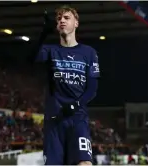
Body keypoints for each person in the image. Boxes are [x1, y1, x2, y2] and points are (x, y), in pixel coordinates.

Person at [32, 5, 100, 165]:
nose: (62, 20)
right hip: (54, 121)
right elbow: (29, 58)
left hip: (78, 118)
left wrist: (76, 105)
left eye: (66, 17)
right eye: (59, 18)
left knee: (85, 163)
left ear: (76, 23)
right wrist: (43, 34)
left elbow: (92, 88)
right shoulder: (50, 50)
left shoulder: (89, 53)